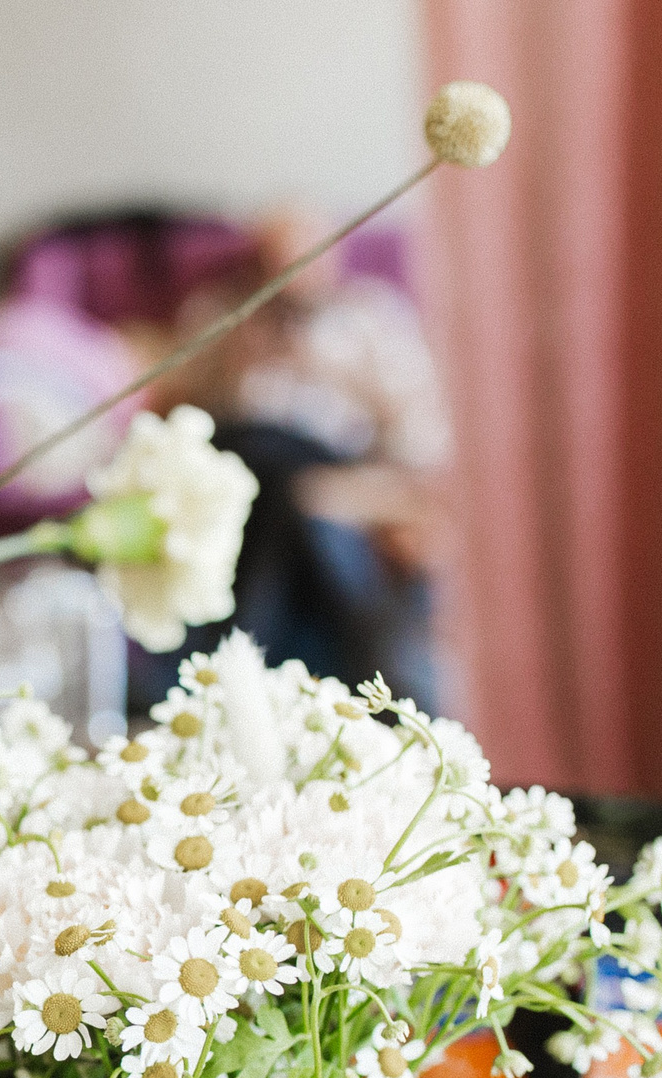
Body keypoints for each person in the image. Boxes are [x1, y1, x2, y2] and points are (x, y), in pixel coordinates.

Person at [147, 204, 453, 713]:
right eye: (275, 264)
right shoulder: (221, 318)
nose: (292, 280)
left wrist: (347, 495)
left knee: (293, 503)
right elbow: (177, 423)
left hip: (331, 486)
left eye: (307, 261)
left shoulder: (371, 323)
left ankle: (232, 666)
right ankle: (367, 687)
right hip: (238, 474)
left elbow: (420, 452)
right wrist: (244, 352)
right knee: (263, 470)